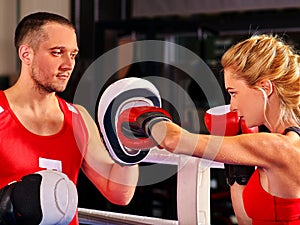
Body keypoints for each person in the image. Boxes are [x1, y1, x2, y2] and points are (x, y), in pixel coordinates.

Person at [123, 34, 300, 224]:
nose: (232, 105)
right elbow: (246, 219)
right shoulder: (277, 145)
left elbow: (174, 140)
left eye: (234, 93)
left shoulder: (275, 147)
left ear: (265, 87)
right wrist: (237, 166)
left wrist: (146, 117)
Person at [0, 12, 138, 224]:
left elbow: (119, 194)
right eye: (57, 53)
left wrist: (131, 145)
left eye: (72, 55)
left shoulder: (78, 118)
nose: (68, 64)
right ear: (26, 54)